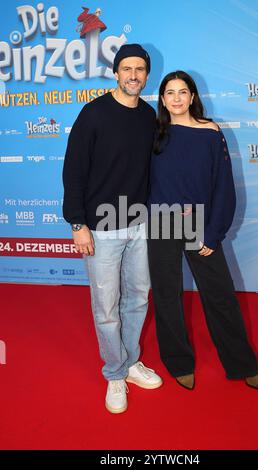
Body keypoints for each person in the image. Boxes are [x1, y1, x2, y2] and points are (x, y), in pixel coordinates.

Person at [147, 71, 258, 391]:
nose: (176, 98)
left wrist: (213, 233)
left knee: (221, 296)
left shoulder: (211, 132)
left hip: (199, 222)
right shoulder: (153, 133)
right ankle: (178, 362)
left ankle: (242, 364)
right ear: (162, 99)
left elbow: (223, 187)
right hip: (161, 221)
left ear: (192, 97)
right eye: (169, 92)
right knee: (167, 297)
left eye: (182, 91)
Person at [62, 44, 162, 414]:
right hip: (101, 228)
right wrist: (78, 224)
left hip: (140, 224)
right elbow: (73, 171)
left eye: (140, 69)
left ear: (146, 75)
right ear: (115, 73)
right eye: (127, 68)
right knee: (106, 307)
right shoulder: (93, 114)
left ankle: (130, 360)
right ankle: (115, 373)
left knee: (137, 298)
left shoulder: (150, 116)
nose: (133, 75)